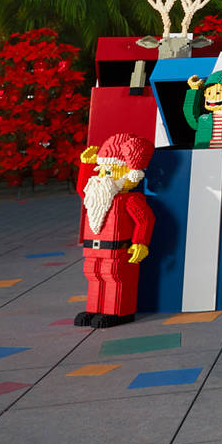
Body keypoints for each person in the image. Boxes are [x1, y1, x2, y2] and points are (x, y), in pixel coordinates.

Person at [76, 133, 154, 328]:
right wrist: (86, 166)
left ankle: (118, 311)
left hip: (119, 250)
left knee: (114, 277)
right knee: (94, 274)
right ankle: (94, 308)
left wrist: (140, 243)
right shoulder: (97, 197)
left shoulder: (130, 200)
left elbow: (145, 220)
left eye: (108, 172)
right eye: (100, 170)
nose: (102, 177)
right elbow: (83, 189)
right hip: (95, 249)